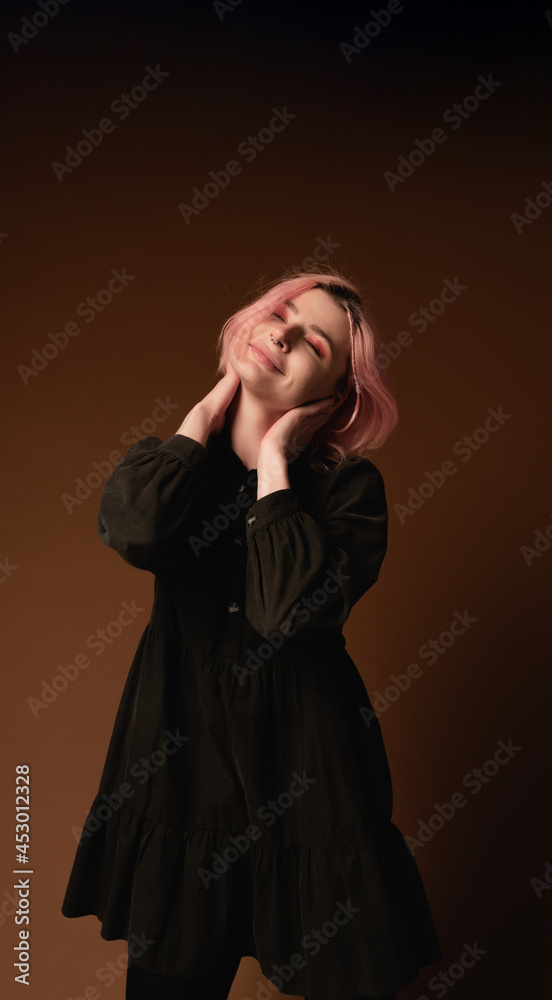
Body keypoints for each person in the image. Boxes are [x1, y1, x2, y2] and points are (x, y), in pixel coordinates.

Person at [62, 267, 443, 1000]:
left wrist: (273, 462)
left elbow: (285, 612)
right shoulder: (174, 469)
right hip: (177, 759)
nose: (284, 334)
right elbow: (134, 528)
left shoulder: (347, 491)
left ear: (333, 399)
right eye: (280, 314)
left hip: (309, 762)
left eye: (316, 346)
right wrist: (205, 415)